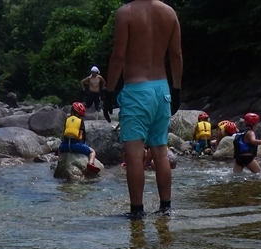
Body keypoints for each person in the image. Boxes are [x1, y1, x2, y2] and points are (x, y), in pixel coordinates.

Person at [104, 0, 183, 218]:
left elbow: (118, 57)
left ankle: (137, 211)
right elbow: (176, 54)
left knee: (134, 154)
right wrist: (176, 89)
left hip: (137, 90)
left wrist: (108, 92)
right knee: (160, 152)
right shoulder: (169, 12)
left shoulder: (126, 13)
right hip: (162, 89)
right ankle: (166, 207)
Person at [59, 102, 99, 174]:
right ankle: (91, 163)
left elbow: (63, 134)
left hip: (65, 146)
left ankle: (60, 160)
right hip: (76, 146)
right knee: (92, 152)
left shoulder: (67, 120)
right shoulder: (80, 121)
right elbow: (82, 136)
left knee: (59, 149)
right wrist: (82, 144)